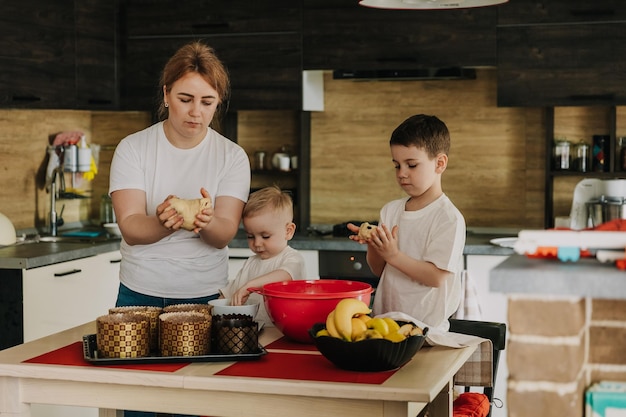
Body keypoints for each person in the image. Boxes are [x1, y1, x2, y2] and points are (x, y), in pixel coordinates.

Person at [109, 41, 250, 417]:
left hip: (203, 300)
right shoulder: (134, 149)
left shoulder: (232, 157)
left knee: (194, 407)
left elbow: (224, 234)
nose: (196, 112)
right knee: (141, 407)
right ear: (166, 93)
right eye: (186, 99)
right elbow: (132, 228)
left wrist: (205, 223)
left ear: (218, 101)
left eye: (207, 102)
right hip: (139, 299)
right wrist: (163, 223)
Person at [347, 114, 466, 331]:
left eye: (411, 165)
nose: (402, 174)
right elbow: (378, 270)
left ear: (440, 163)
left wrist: (394, 255)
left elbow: (436, 277)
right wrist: (376, 245)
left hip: (426, 330)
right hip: (384, 324)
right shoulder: (390, 211)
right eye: (396, 165)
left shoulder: (448, 218)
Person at [220, 186, 307, 326]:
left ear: (288, 231)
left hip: (284, 333)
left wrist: (249, 286)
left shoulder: (292, 259)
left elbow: (284, 275)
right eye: (250, 236)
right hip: (256, 334)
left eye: (265, 236)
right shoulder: (250, 262)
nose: (257, 243)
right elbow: (229, 294)